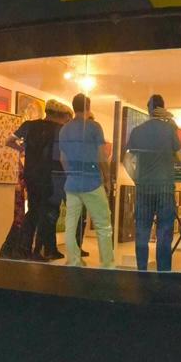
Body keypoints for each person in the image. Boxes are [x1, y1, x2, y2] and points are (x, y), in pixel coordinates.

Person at [6, 99, 72, 261]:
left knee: (33, 210)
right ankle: (40, 250)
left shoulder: (29, 125)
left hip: (31, 174)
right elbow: (63, 155)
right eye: (66, 118)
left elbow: (9, 141)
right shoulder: (60, 130)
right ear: (60, 115)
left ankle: (24, 248)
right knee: (48, 213)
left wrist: (23, 149)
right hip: (51, 176)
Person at [125, 95, 181, 271]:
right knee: (164, 233)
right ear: (162, 109)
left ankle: (142, 270)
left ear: (148, 110)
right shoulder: (169, 129)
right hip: (165, 187)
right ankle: (163, 272)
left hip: (144, 187)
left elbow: (126, 160)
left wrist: (136, 178)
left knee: (142, 232)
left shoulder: (137, 131)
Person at [58, 94, 113, 268]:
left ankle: (74, 260)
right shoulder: (94, 127)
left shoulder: (64, 129)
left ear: (74, 107)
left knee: (70, 224)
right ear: (88, 107)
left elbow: (62, 158)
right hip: (92, 182)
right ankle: (107, 264)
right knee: (103, 224)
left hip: (72, 183)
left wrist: (70, 174)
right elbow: (101, 156)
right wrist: (107, 178)